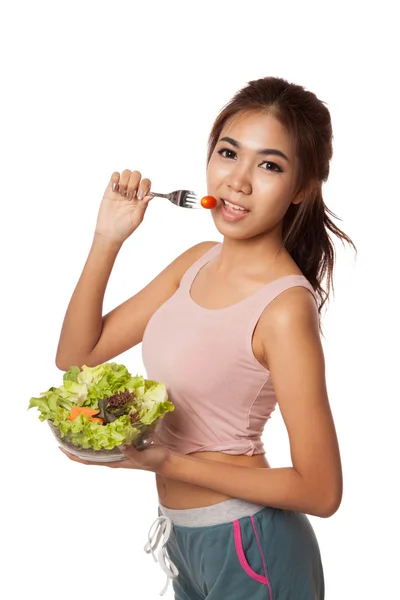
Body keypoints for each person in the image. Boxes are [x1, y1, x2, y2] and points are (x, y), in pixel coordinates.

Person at [56, 76, 355, 600]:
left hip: (252, 543)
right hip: (184, 540)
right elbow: (77, 355)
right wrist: (107, 239)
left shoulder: (284, 308)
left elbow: (322, 489)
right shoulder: (194, 263)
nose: (238, 181)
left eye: (269, 165)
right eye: (228, 153)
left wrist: (166, 461)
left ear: (302, 188)